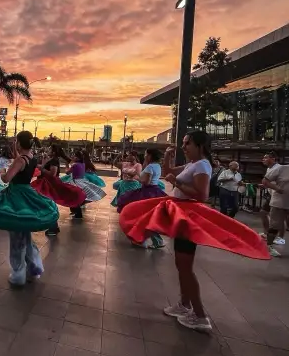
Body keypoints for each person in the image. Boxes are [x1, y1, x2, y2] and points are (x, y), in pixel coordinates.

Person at [119, 130, 269, 333]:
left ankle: (200, 316)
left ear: (200, 146)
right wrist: (169, 158)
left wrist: (177, 182)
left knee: (185, 266)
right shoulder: (193, 164)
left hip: (188, 215)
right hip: (180, 213)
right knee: (181, 265)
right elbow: (168, 171)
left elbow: (201, 195)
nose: (184, 147)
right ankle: (184, 304)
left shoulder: (202, 165)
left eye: (187, 143)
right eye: (183, 143)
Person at [0, 131, 58, 286]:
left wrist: (2, 170)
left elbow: (6, 179)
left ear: (19, 143)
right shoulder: (32, 158)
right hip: (27, 194)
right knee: (26, 235)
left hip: (15, 196)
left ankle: (18, 274)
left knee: (16, 238)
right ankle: (33, 267)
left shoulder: (19, 160)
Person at [31, 144, 86, 237]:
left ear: (53, 151)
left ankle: (53, 227)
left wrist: (42, 168)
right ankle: (52, 226)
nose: (47, 149)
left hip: (49, 184)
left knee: (47, 203)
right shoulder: (50, 159)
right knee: (46, 203)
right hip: (46, 183)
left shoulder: (54, 160)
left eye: (49, 148)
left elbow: (53, 173)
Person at [116, 147, 166, 248]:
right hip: (154, 191)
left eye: (146, 154)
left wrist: (136, 176)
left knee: (139, 215)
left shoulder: (150, 167)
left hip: (147, 192)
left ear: (150, 156)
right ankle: (151, 240)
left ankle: (142, 239)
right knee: (148, 217)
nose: (144, 156)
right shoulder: (157, 166)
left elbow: (145, 182)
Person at [64, 149, 106, 220]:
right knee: (76, 197)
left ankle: (77, 212)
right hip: (82, 181)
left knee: (73, 197)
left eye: (74, 156)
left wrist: (67, 166)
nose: (73, 157)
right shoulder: (83, 164)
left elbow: (67, 172)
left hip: (75, 182)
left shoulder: (75, 165)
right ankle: (76, 211)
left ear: (78, 158)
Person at [264, 160, 289, 257]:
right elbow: (265, 181)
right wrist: (277, 188)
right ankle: (269, 247)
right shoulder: (282, 168)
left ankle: (280, 239)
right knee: (275, 226)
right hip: (279, 203)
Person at [259, 152, 285, 247]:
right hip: (271, 195)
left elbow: (281, 182)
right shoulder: (269, 168)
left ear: (273, 159)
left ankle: (281, 238)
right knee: (263, 212)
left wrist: (276, 188)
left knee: (280, 218)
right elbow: (270, 181)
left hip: (279, 196)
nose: (263, 159)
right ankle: (267, 233)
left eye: (266, 158)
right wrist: (264, 186)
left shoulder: (279, 168)